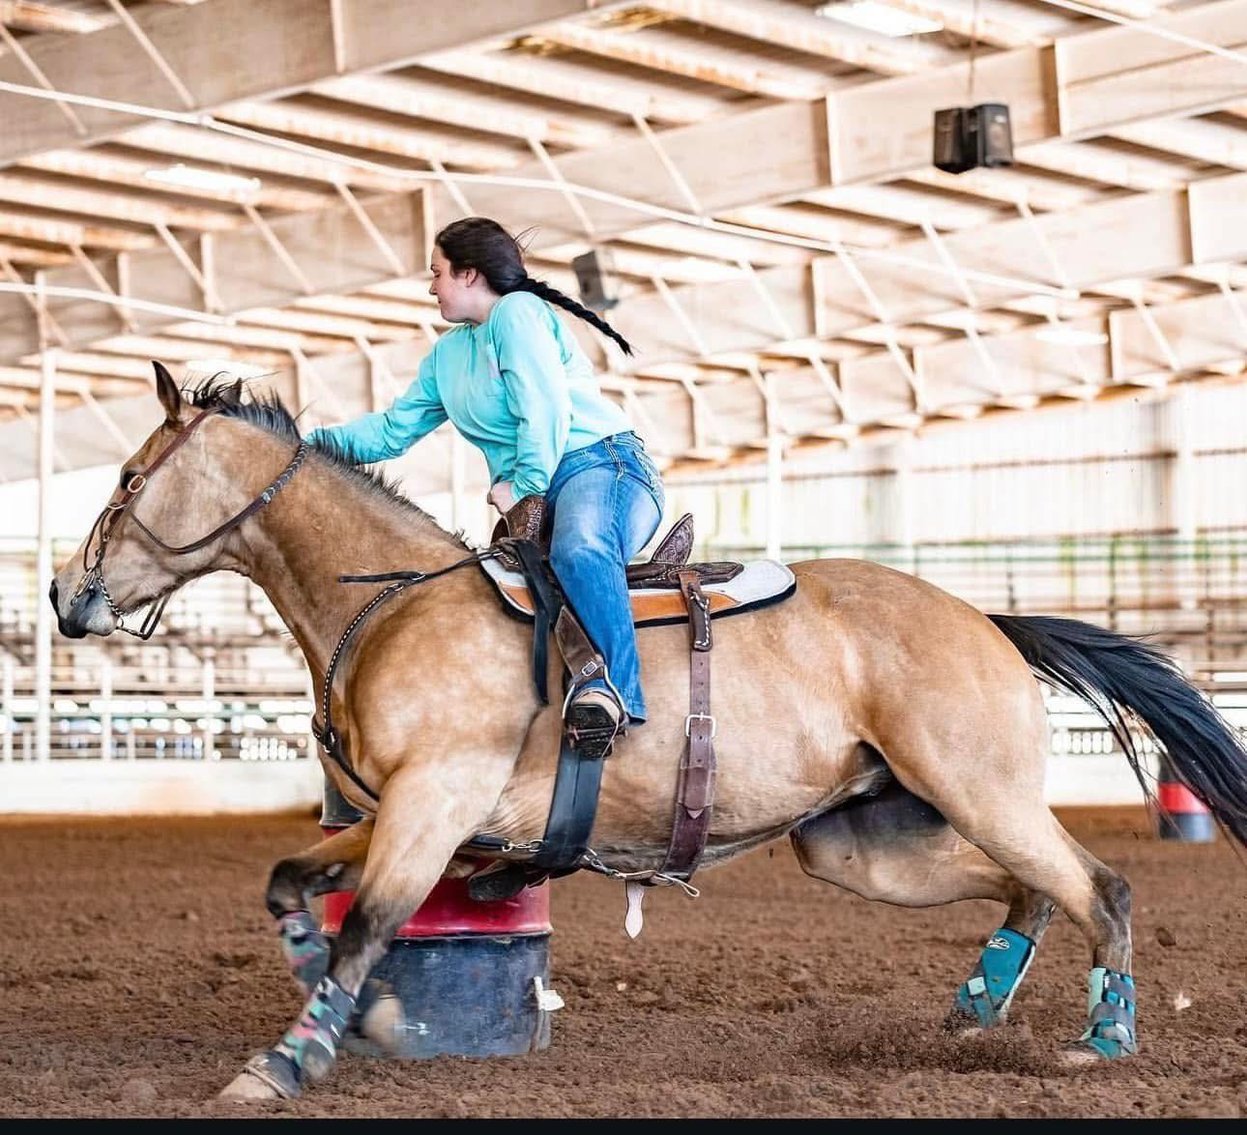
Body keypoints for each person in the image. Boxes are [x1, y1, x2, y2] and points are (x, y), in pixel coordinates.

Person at [307, 216, 665, 744]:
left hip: (602, 464)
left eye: (437, 273)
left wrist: (522, 487)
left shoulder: (519, 314)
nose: (431, 287)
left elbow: (543, 412)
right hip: (532, 489)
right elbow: (391, 432)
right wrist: (304, 443)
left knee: (581, 548)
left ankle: (614, 691)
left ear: (469, 274)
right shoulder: (447, 355)